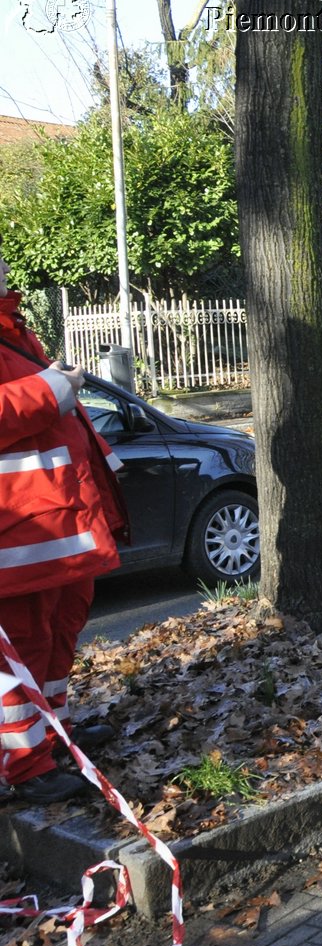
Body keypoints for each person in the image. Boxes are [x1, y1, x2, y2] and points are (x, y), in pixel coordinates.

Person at [0, 254, 124, 804]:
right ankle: (24, 766)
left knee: (58, 631)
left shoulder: (13, 328)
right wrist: (51, 389)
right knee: (23, 644)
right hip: (17, 533)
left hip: (53, 529)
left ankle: (53, 739)